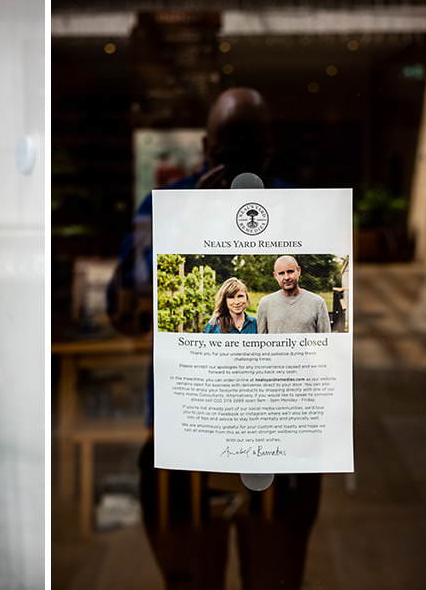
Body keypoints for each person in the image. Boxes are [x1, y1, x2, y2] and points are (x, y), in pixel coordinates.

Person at [108, 88, 320, 590]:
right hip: (184, 433)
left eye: (248, 146)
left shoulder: (301, 209)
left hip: (279, 434)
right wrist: (188, 223)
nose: (237, 160)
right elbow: (122, 306)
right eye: (228, 147)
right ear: (206, 147)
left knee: (276, 578)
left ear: (268, 148)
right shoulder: (166, 207)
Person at [257, 256, 331, 333]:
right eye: (281, 273)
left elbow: (326, 340)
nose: (286, 277)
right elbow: (261, 340)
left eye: (290, 271)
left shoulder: (317, 303)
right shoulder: (265, 303)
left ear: (298, 271)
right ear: (275, 276)